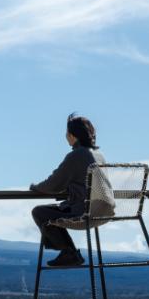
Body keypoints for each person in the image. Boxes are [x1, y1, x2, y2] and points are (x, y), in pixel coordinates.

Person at [29, 113, 105, 267]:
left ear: (72, 135)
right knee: (52, 211)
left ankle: (68, 252)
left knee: (40, 212)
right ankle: (68, 252)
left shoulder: (76, 155)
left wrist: (35, 187)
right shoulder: (99, 155)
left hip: (84, 211)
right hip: (103, 211)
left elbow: (54, 184)